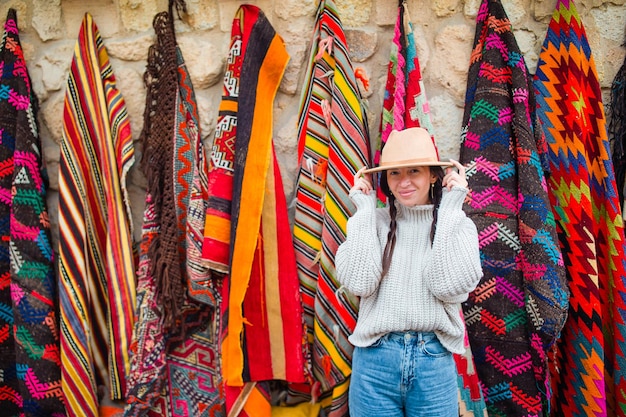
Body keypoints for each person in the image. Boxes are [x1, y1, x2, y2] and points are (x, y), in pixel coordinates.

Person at [335, 127, 483, 417]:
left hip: (433, 361)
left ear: (433, 175)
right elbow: (359, 283)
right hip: (375, 361)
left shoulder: (458, 224)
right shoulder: (373, 223)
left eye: (414, 171)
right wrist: (364, 210)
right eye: (394, 174)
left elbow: (449, 287)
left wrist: (451, 208)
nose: (403, 182)